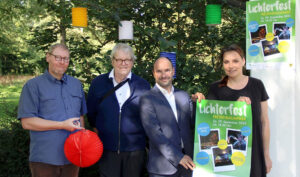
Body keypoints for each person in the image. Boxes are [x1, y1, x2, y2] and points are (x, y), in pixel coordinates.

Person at [193, 44, 272, 177]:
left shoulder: (257, 85)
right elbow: (210, 123)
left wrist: (266, 155)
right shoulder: (216, 88)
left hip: (253, 153)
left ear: (243, 61)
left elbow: (264, 122)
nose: (231, 66)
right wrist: (198, 101)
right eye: (226, 62)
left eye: (235, 61)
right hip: (226, 155)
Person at [17, 43, 87, 177]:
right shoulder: (33, 86)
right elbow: (27, 122)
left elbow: (80, 116)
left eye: (66, 59)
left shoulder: (76, 85)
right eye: (58, 57)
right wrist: (61, 125)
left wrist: (82, 144)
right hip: (45, 158)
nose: (62, 62)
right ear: (47, 57)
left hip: (72, 157)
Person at [86, 43, 151, 177]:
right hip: (106, 149)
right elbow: (91, 113)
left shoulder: (143, 85)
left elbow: (148, 116)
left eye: (127, 59)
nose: (123, 63)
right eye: (119, 59)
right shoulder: (98, 83)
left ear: (132, 62)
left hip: (135, 150)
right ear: (112, 61)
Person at [139, 57, 195, 177]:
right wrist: (179, 157)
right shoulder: (147, 99)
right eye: (159, 71)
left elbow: (194, 123)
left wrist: (199, 104)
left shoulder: (184, 96)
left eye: (167, 70)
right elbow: (155, 135)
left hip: (189, 164)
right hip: (163, 169)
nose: (163, 75)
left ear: (173, 71)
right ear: (154, 73)